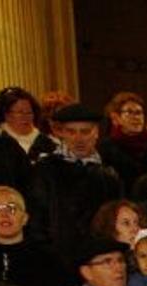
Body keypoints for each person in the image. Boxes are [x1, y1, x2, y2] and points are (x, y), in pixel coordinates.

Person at [25, 104, 125, 266]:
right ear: (62, 133)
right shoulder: (45, 170)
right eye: (71, 131)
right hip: (56, 262)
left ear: (96, 133)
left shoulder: (109, 174)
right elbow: (36, 221)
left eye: (85, 131)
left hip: (99, 263)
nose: (78, 138)